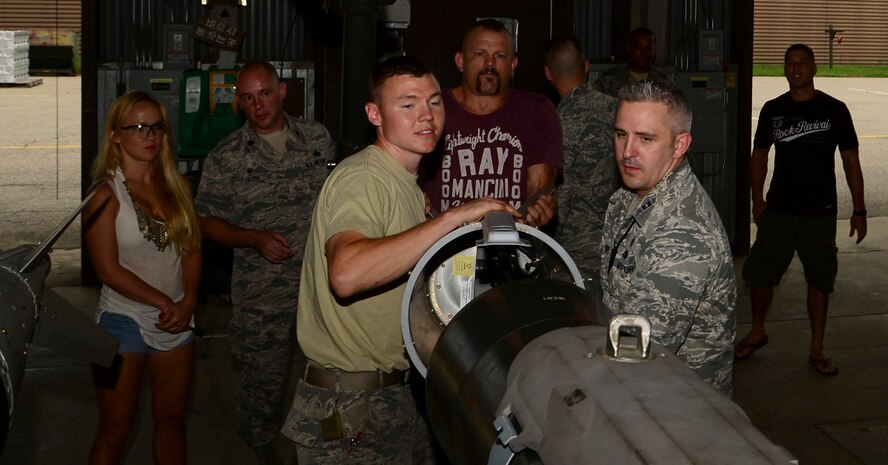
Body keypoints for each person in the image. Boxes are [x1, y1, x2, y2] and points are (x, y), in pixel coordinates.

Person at [281, 56, 517, 464]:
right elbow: (346, 273)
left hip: (389, 395)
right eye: (407, 104)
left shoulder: (403, 182)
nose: (426, 115)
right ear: (374, 114)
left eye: (434, 102)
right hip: (351, 405)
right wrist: (452, 218)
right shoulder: (365, 177)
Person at [194, 61, 335, 462]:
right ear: (238, 102)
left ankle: (330, 444)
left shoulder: (317, 139)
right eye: (248, 98)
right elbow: (204, 221)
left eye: (265, 93)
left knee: (330, 372)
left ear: (282, 91)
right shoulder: (227, 156)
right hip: (262, 292)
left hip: (321, 286)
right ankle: (263, 450)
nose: (258, 105)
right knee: (263, 380)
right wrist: (252, 239)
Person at [734, 44, 866, 377]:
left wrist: (859, 210)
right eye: (790, 63)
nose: (796, 69)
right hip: (778, 210)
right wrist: (757, 201)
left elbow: (851, 160)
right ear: (784, 68)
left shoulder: (834, 110)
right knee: (760, 275)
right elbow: (759, 156)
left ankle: (817, 348)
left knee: (819, 279)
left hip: (820, 212)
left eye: (802, 63)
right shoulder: (773, 109)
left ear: (814, 68)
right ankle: (757, 330)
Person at [85, 90, 201, 465]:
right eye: (137, 128)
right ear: (115, 136)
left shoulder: (179, 187)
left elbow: (191, 250)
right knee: (115, 430)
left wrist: (188, 301)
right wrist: (164, 302)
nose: (149, 135)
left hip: (177, 320)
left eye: (155, 127)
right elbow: (107, 269)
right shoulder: (104, 194)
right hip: (124, 319)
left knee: (172, 421)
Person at [599, 80, 736, 394]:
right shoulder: (627, 198)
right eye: (621, 135)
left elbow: (634, 355)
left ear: (679, 145)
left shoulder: (683, 233)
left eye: (645, 138)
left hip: (677, 408)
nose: (627, 152)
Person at [421, 18, 562, 228]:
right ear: (460, 62)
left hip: (513, 239)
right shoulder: (431, 108)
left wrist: (539, 209)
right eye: (480, 54)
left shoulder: (536, 110)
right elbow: (405, 174)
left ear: (513, 65)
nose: (490, 64)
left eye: (500, 56)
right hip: (441, 241)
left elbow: (540, 186)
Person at [544, 35, 619, 289]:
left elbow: (559, 198)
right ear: (586, 65)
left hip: (575, 256)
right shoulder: (620, 111)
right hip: (621, 246)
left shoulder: (557, 124)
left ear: (548, 73)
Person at [591, 27, 672, 98]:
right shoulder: (608, 79)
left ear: (654, 50)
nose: (644, 52)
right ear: (629, 48)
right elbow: (593, 105)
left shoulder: (664, 81)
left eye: (649, 48)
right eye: (638, 47)